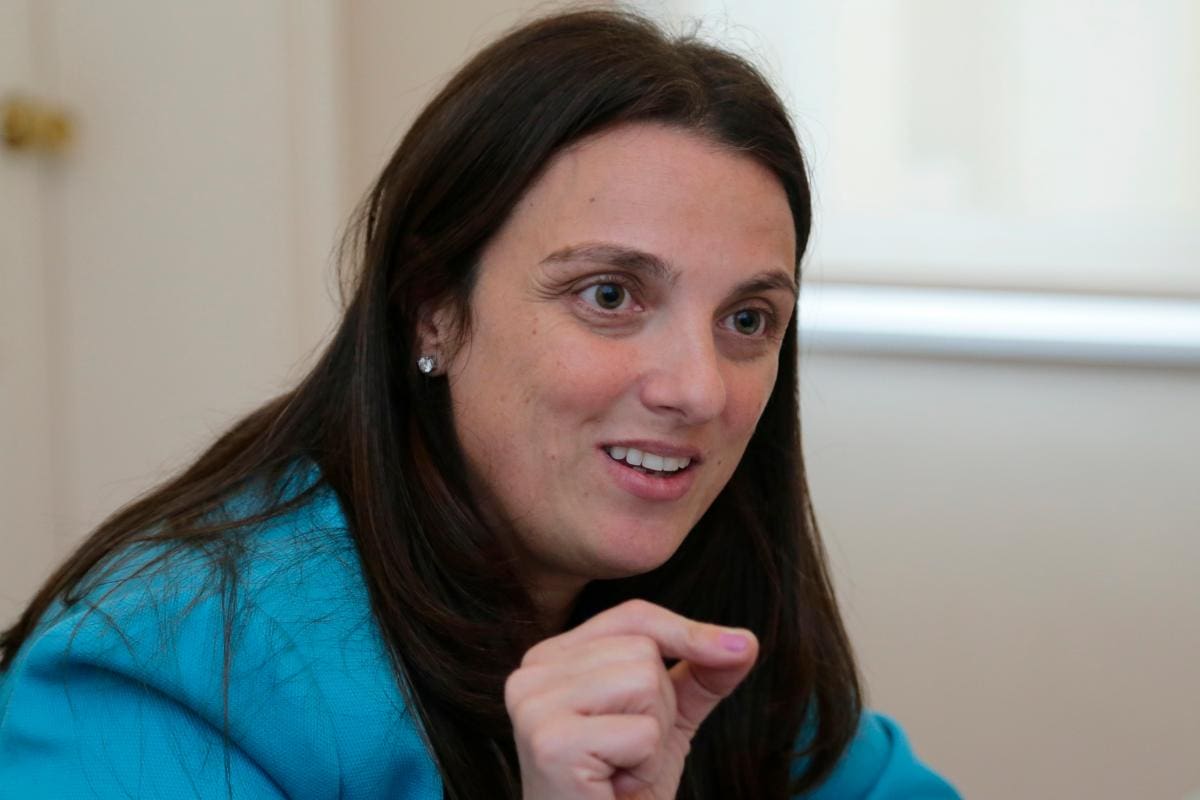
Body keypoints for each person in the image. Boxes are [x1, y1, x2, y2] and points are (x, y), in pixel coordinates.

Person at [0, 10, 959, 799]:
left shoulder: (718, 608)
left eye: (747, 319)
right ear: (434, 309)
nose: (699, 388)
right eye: (610, 296)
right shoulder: (163, 674)